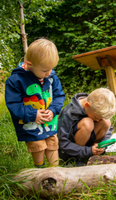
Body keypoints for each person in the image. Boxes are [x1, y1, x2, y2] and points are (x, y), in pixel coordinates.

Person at [5, 38, 65, 167]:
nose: (49, 73)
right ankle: (40, 170)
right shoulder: (16, 80)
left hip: (50, 122)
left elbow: (59, 96)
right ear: (29, 64)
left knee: (52, 144)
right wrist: (33, 115)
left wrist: (53, 110)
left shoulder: (51, 77)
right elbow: (13, 104)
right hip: (31, 124)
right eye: (45, 70)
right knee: (38, 146)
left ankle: (55, 170)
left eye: (51, 69)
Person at [57, 88, 116, 166]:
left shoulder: (95, 107)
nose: (98, 121)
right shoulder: (68, 113)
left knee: (106, 122)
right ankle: (76, 158)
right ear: (87, 105)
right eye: (96, 117)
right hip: (71, 151)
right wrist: (88, 150)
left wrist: (101, 146)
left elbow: (108, 130)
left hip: (89, 146)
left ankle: (96, 151)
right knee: (87, 123)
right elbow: (62, 142)